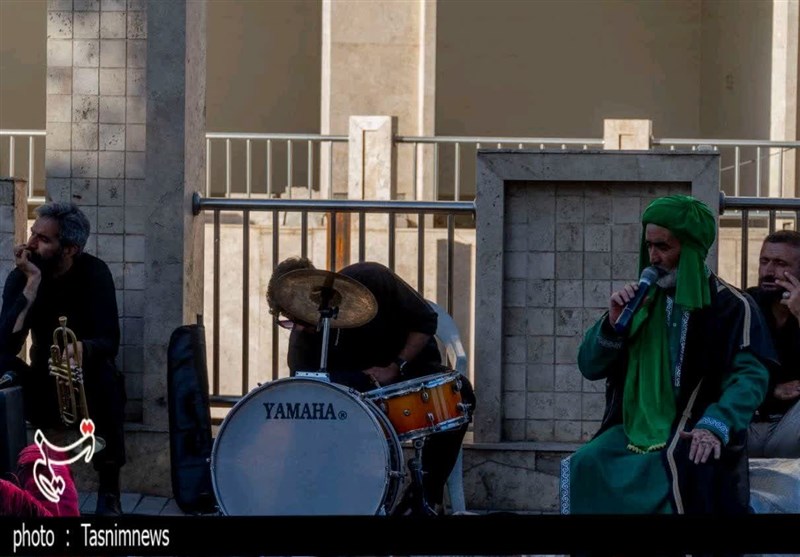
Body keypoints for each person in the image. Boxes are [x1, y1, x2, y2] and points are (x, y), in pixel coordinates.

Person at [560, 195, 775, 522]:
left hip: (694, 429)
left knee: (680, 470)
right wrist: (613, 325)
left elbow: (750, 379)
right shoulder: (638, 303)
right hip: (633, 429)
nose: (653, 257)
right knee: (586, 463)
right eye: (649, 246)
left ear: (690, 249)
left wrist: (715, 425)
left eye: (663, 247)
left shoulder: (732, 307)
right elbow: (590, 366)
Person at [266, 257, 476, 515]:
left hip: (409, 372)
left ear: (313, 295)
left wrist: (394, 366)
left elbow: (425, 322)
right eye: (288, 321)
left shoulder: (371, 278)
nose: (297, 328)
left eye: (298, 319)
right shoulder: (303, 340)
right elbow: (308, 394)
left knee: (461, 393)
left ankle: (423, 497)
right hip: (359, 397)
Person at [0, 202, 126, 516]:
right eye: (32, 234)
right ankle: (13, 480)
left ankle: (109, 490)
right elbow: (7, 343)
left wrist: (82, 349)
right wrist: (31, 284)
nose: (29, 243)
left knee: (108, 379)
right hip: (42, 378)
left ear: (69, 248)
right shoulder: (23, 276)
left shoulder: (94, 272)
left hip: (86, 376)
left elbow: (110, 339)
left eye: (43, 239)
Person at [746, 230, 800, 458]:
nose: (768, 272)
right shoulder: (744, 305)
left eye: (780, 264)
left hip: (791, 427)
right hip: (746, 423)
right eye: (764, 261)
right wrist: (772, 390)